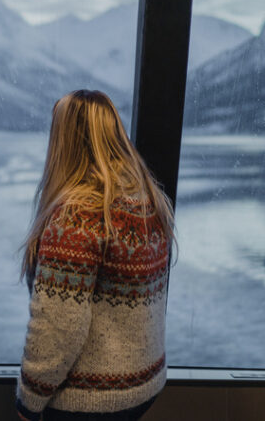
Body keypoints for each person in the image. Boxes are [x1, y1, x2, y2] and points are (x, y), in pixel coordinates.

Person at [16, 90, 175, 421]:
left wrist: (29, 400)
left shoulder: (78, 216)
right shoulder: (148, 201)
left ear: (65, 139)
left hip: (89, 401)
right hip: (143, 383)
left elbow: (59, 327)